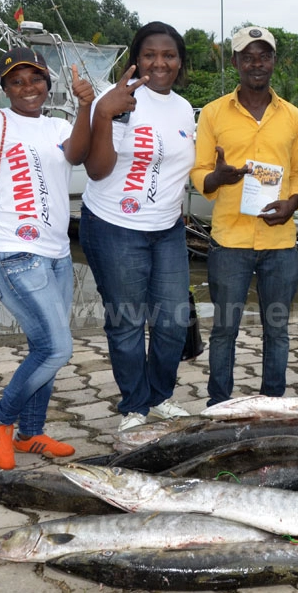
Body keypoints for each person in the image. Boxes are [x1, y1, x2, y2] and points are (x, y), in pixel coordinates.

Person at [0, 47, 95, 470]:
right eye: (17, 81)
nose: (27, 88)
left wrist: (87, 105)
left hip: (56, 254)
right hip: (13, 252)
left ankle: (31, 434)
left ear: (48, 83)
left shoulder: (56, 124)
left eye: (35, 79)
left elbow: (79, 154)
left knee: (43, 347)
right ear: (5, 87)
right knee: (57, 348)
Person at [79, 22, 197, 432]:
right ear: (137, 59)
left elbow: (180, 169)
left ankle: (159, 396)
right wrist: (105, 112)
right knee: (127, 320)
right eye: (150, 55)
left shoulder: (184, 109)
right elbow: (96, 170)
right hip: (114, 226)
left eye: (168, 55)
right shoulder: (121, 101)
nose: (159, 62)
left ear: (180, 62)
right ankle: (134, 406)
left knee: (173, 320)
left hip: (166, 229)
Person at [190, 25, 298, 406]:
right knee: (224, 331)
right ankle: (219, 405)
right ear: (236, 62)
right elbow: (199, 170)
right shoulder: (212, 113)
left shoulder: (293, 116)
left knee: (278, 329)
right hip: (230, 241)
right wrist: (214, 178)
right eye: (248, 57)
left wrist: (293, 202)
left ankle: (271, 404)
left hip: (280, 242)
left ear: (273, 60)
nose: (257, 64)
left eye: (264, 55)